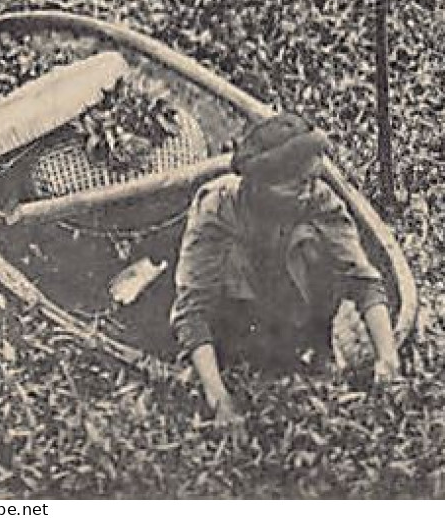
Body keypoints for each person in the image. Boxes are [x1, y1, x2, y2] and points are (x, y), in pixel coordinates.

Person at [170, 113, 401, 435]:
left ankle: (313, 348)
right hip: (237, 319)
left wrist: (387, 358)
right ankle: (241, 358)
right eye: (295, 185)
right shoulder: (219, 207)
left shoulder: (318, 199)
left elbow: (363, 280)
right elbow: (192, 310)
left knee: (310, 243)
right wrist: (220, 400)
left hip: (296, 316)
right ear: (260, 185)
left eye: (311, 181)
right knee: (232, 259)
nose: (307, 192)